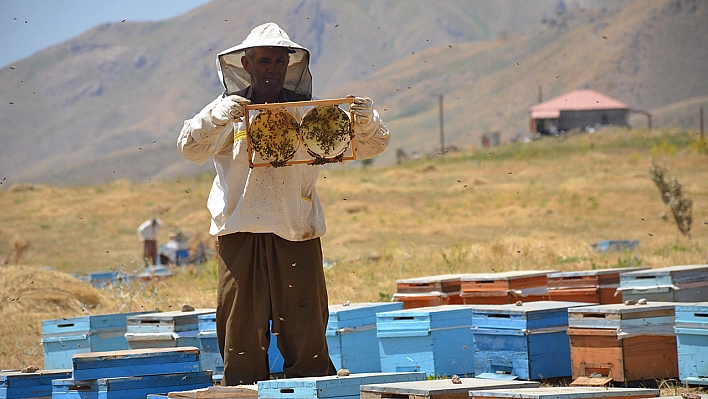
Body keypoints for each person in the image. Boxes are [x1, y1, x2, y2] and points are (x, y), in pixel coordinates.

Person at [177, 22, 390, 385]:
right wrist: (217, 117)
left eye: (278, 61)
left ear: (289, 64)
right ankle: (242, 390)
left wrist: (367, 122)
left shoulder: (306, 111)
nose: (271, 68)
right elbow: (189, 148)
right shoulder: (227, 109)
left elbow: (370, 145)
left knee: (306, 330)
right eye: (263, 61)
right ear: (246, 64)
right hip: (240, 230)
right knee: (240, 333)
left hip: (296, 228)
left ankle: (311, 390)